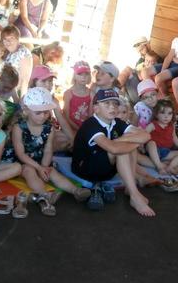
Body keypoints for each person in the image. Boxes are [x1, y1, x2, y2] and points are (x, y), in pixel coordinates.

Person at [71, 89, 155, 217]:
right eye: (106, 104)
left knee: (126, 146)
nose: (112, 107)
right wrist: (132, 142)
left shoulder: (116, 122)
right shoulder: (91, 125)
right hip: (86, 170)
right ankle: (134, 195)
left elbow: (145, 135)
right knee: (122, 149)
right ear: (96, 108)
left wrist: (121, 140)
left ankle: (130, 187)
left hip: (106, 169)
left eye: (115, 104)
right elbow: (113, 149)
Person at [13, 87, 91, 216]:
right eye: (38, 113)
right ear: (26, 110)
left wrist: (44, 166)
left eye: (46, 112)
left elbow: (49, 149)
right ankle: (45, 194)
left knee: (52, 172)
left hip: (42, 160)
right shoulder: (19, 127)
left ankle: (75, 190)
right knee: (29, 172)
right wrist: (38, 167)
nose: (43, 116)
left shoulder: (49, 128)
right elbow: (20, 153)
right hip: (24, 161)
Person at [145, 99, 178, 176]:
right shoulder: (153, 125)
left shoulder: (171, 125)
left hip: (167, 151)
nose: (166, 116)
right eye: (162, 113)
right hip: (156, 151)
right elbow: (143, 135)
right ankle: (159, 167)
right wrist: (141, 146)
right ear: (156, 114)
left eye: (169, 113)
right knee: (151, 143)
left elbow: (174, 136)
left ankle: (170, 167)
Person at [62, 60, 92, 133]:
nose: (84, 77)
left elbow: (91, 116)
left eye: (86, 74)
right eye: (80, 74)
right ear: (74, 75)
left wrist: (85, 129)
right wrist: (78, 129)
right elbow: (66, 116)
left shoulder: (91, 94)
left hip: (85, 128)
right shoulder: (68, 94)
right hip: (70, 128)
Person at [0, 25, 33, 90]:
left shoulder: (23, 52)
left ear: (17, 39)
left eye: (11, 38)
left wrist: (21, 99)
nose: (8, 41)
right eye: (5, 39)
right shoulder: (9, 53)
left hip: (15, 92)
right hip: (5, 89)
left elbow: (24, 80)